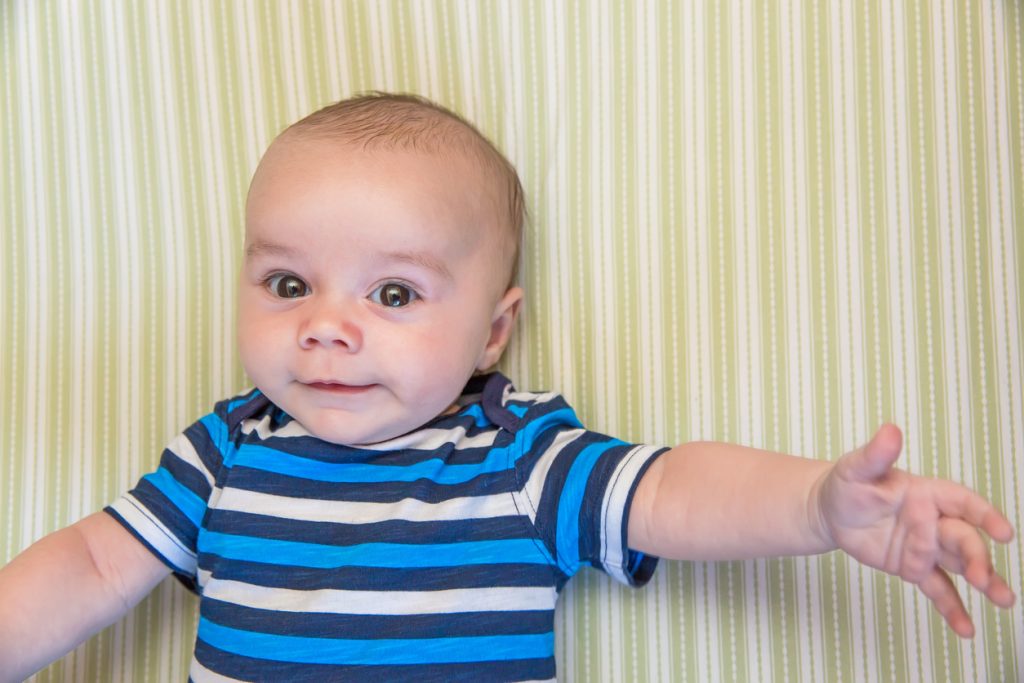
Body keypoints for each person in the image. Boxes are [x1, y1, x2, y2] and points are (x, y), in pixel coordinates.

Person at [0, 93, 1016, 682]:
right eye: (286, 281)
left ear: (492, 329)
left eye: (392, 290)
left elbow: (669, 491)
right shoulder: (226, 448)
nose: (324, 321)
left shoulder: (514, 452)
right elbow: (90, 566)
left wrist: (811, 503)